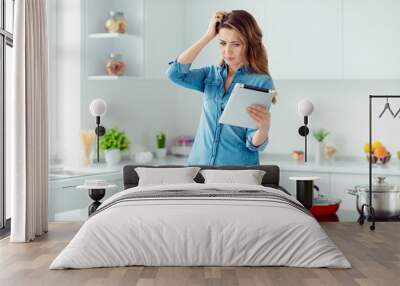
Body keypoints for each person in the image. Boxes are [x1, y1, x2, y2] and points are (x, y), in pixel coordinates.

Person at [167, 10, 275, 166]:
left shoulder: (260, 82)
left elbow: (252, 142)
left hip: (236, 174)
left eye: (236, 44)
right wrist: (208, 36)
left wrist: (264, 129)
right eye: (223, 43)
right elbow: (174, 74)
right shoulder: (211, 75)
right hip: (198, 169)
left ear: (250, 44)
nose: (227, 51)